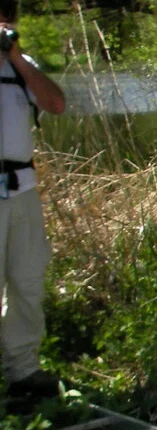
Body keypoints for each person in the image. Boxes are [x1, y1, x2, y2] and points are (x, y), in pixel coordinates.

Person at [0, 0, 65, 400]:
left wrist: (16, 59)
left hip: (21, 189)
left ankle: (23, 371)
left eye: (10, 15)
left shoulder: (22, 66)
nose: (6, 22)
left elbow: (56, 104)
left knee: (27, 280)